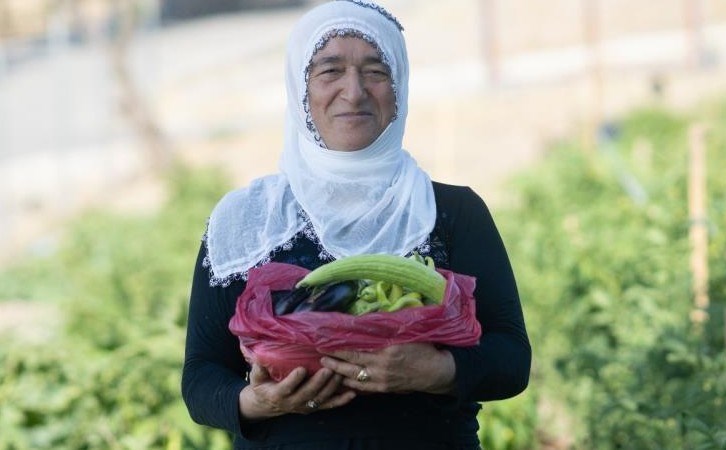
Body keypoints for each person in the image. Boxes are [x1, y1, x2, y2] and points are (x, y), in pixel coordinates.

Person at [181, 1, 531, 448]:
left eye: (375, 71)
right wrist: (255, 402)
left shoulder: (452, 212)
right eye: (329, 71)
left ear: (398, 87)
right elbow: (200, 378)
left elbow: (511, 359)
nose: (354, 91)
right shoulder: (247, 220)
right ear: (300, 89)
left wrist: (438, 372)